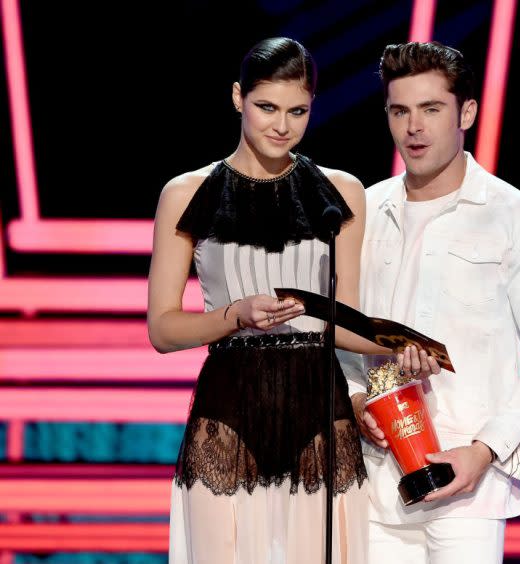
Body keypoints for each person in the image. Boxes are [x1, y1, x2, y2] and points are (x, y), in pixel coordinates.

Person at [347, 41, 520, 563]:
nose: (415, 128)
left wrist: (485, 450)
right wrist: (356, 401)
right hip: (375, 479)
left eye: (432, 109)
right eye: (400, 111)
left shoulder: (513, 216)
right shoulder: (364, 211)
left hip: (468, 483)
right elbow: (342, 333)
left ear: (466, 112)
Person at [147, 37, 373, 564]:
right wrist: (234, 315)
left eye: (298, 110)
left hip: (322, 417)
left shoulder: (342, 192)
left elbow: (347, 322)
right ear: (237, 98)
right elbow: (162, 329)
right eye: (266, 107)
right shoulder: (186, 193)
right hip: (229, 416)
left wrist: (404, 349)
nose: (282, 125)